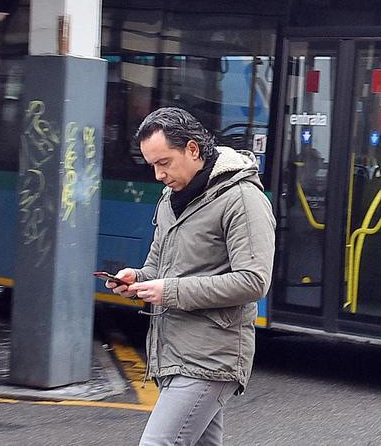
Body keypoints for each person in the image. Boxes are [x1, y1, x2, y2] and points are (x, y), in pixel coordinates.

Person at [108, 107, 275, 446]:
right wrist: (137, 279)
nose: (158, 175)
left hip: (212, 354)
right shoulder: (172, 198)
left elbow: (254, 281)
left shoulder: (241, 198)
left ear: (193, 150)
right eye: (152, 165)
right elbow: (158, 266)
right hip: (175, 351)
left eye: (164, 163)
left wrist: (168, 291)